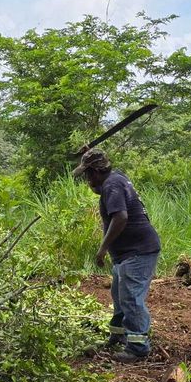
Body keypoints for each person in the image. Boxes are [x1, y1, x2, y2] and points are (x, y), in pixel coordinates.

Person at [73, 148, 161, 363]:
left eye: (87, 174)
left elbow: (120, 217)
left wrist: (103, 248)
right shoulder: (117, 177)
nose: (87, 181)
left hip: (138, 251)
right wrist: (89, 153)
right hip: (127, 253)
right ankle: (119, 336)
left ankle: (138, 348)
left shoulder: (112, 185)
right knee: (120, 295)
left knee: (131, 298)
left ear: (94, 172)